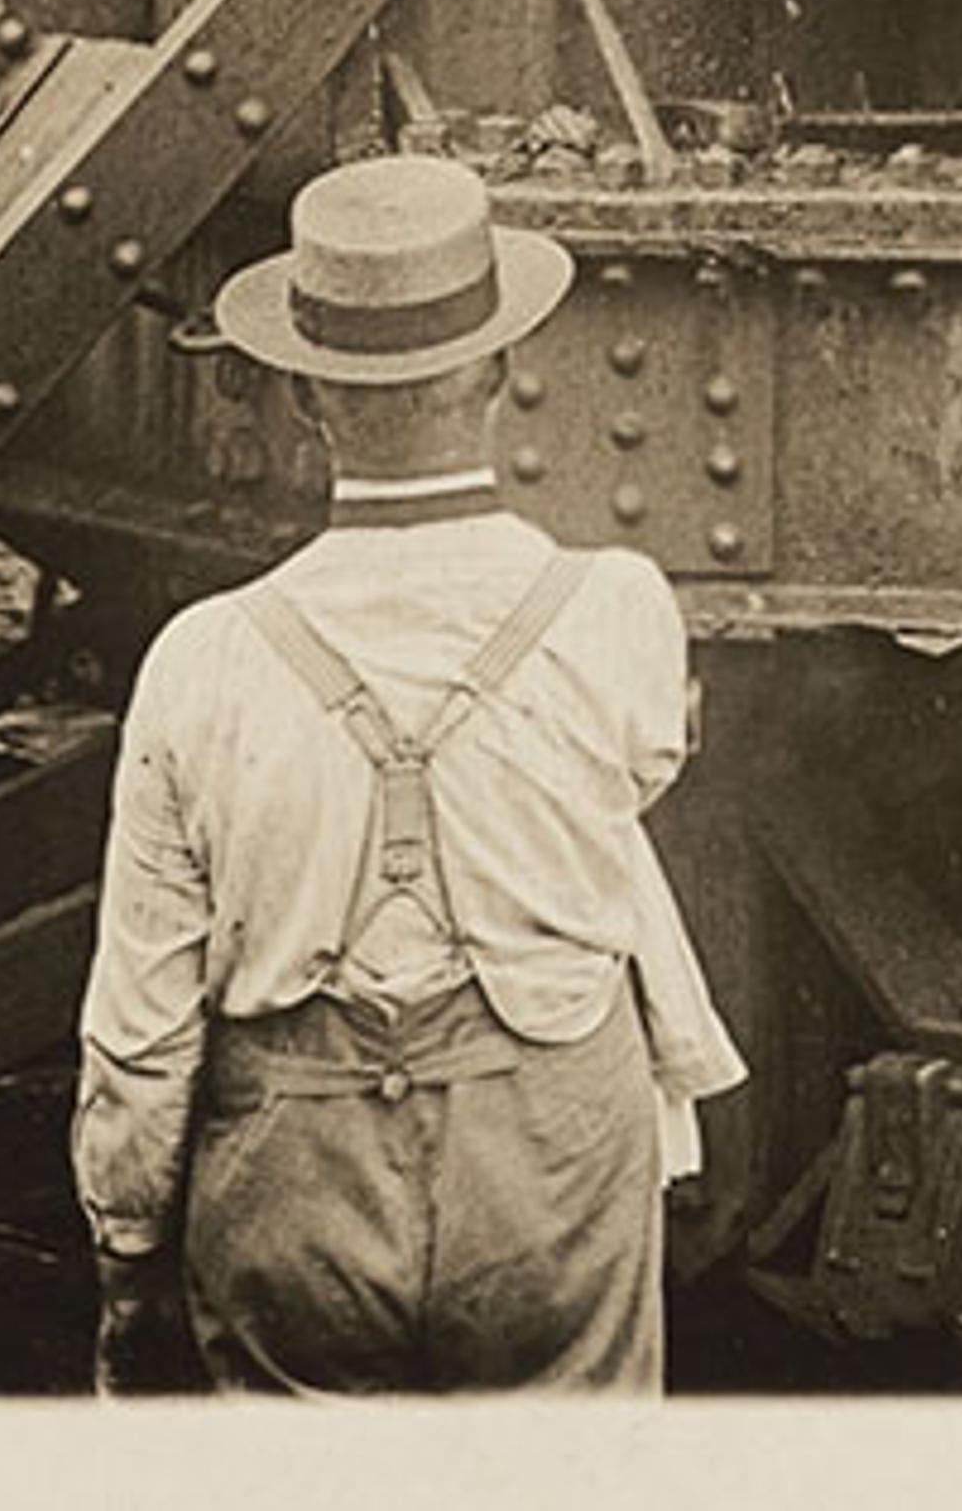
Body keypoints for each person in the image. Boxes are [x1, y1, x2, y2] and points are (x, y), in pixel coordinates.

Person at [74, 157, 742, 1393]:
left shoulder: (199, 659)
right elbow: (642, 767)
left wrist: (127, 1252)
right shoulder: (618, 607)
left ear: (306, 400)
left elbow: (143, 1018)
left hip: (291, 1169)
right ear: (497, 375)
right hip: (547, 1157)